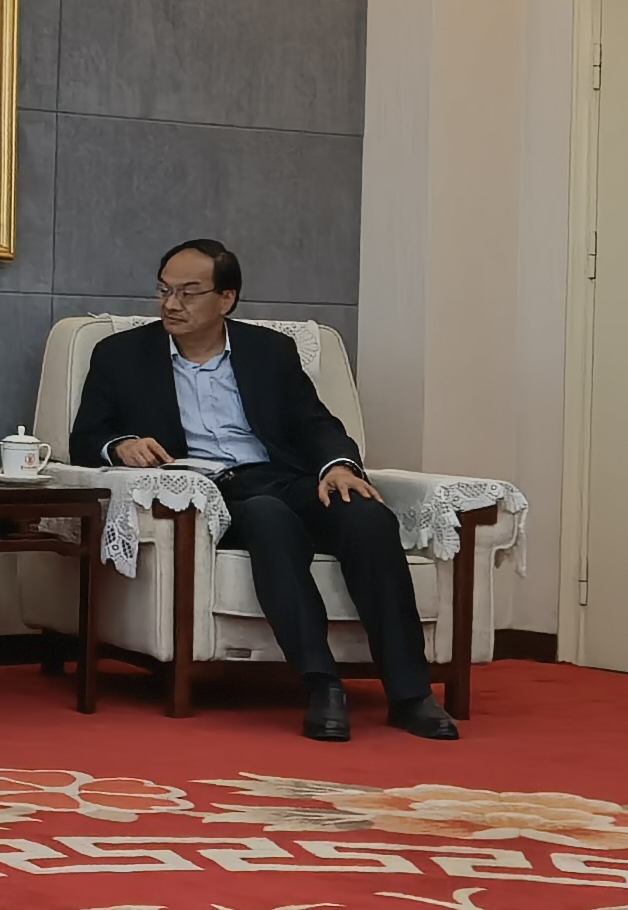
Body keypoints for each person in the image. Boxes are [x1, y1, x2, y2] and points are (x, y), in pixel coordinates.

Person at [71, 237, 458, 743]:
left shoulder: (268, 351)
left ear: (226, 298)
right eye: (164, 290)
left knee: (367, 516)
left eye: (188, 292)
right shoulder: (121, 355)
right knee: (269, 520)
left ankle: (410, 695)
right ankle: (322, 685)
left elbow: (314, 422)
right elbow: (85, 438)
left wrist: (340, 466)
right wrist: (121, 445)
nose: (171, 304)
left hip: (283, 477)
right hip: (211, 494)